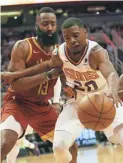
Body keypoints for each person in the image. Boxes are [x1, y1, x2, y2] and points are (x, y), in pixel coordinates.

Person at [0, 9, 78, 163]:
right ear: (37, 25)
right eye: (45, 24)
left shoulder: (60, 50)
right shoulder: (23, 47)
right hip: (18, 102)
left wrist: (67, 91)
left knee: (70, 146)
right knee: (5, 143)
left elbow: (62, 78)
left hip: (42, 106)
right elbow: (16, 86)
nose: (49, 27)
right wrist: (48, 75)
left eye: (53, 24)